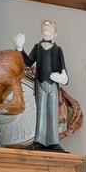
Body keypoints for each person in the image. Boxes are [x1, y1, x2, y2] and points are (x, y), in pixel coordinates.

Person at [14, 19, 68, 151]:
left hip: (53, 85)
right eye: (44, 29)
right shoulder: (37, 48)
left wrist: (63, 78)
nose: (46, 31)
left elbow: (63, 69)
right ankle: (39, 140)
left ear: (55, 34)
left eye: (49, 29)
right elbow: (28, 61)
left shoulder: (58, 50)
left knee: (52, 112)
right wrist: (19, 48)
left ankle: (53, 141)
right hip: (40, 84)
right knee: (41, 112)